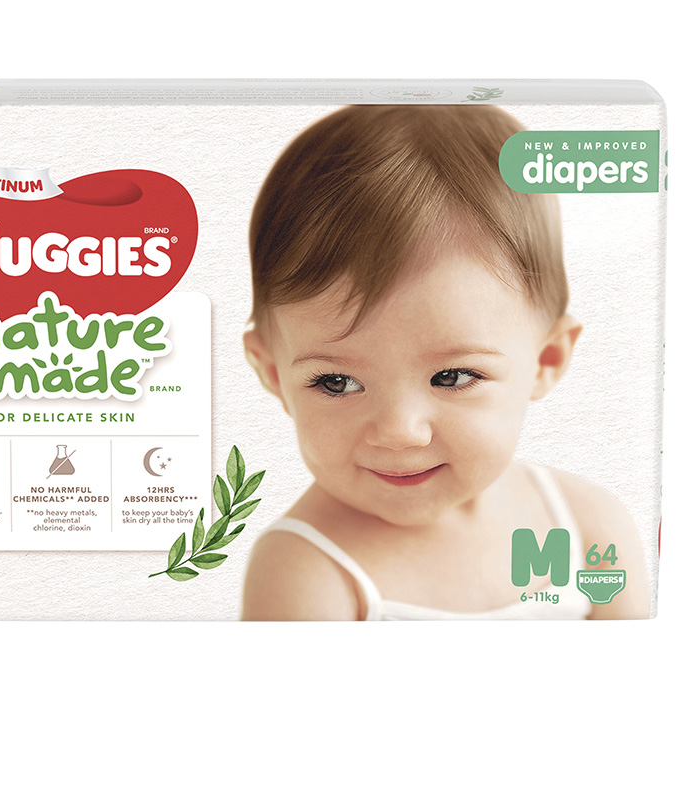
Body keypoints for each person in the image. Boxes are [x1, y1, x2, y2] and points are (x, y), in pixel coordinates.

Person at [241, 104, 650, 620]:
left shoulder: (586, 525)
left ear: (546, 358)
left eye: (452, 377)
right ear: (274, 373)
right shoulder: (306, 569)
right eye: (337, 382)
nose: (399, 432)